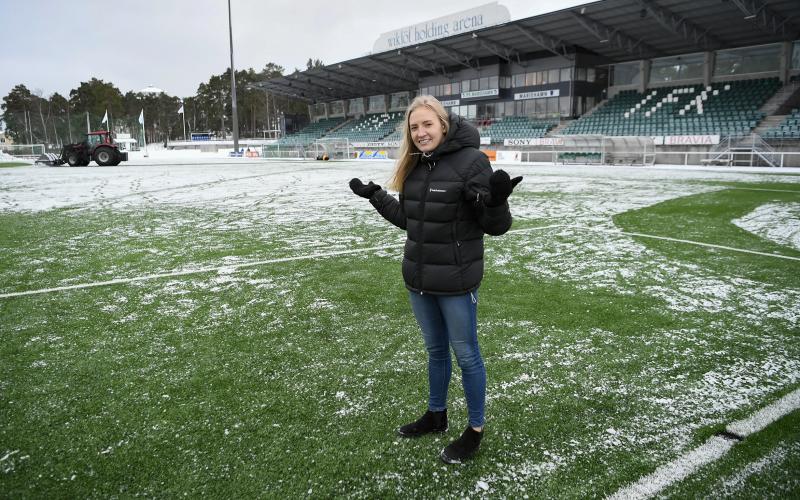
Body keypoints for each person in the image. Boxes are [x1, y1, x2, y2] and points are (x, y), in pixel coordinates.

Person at [349, 95, 522, 464]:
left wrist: (496, 203)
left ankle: (475, 430)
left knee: (467, 355)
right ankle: (436, 415)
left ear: (443, 125)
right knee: (435, 352)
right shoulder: (413, 165)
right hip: (419, 278)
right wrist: (377, 196)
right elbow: (412, 223)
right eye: (414, 127)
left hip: (457, 281)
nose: (421, 132)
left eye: (427, 124)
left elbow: (495, 227)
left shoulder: (471, 162)